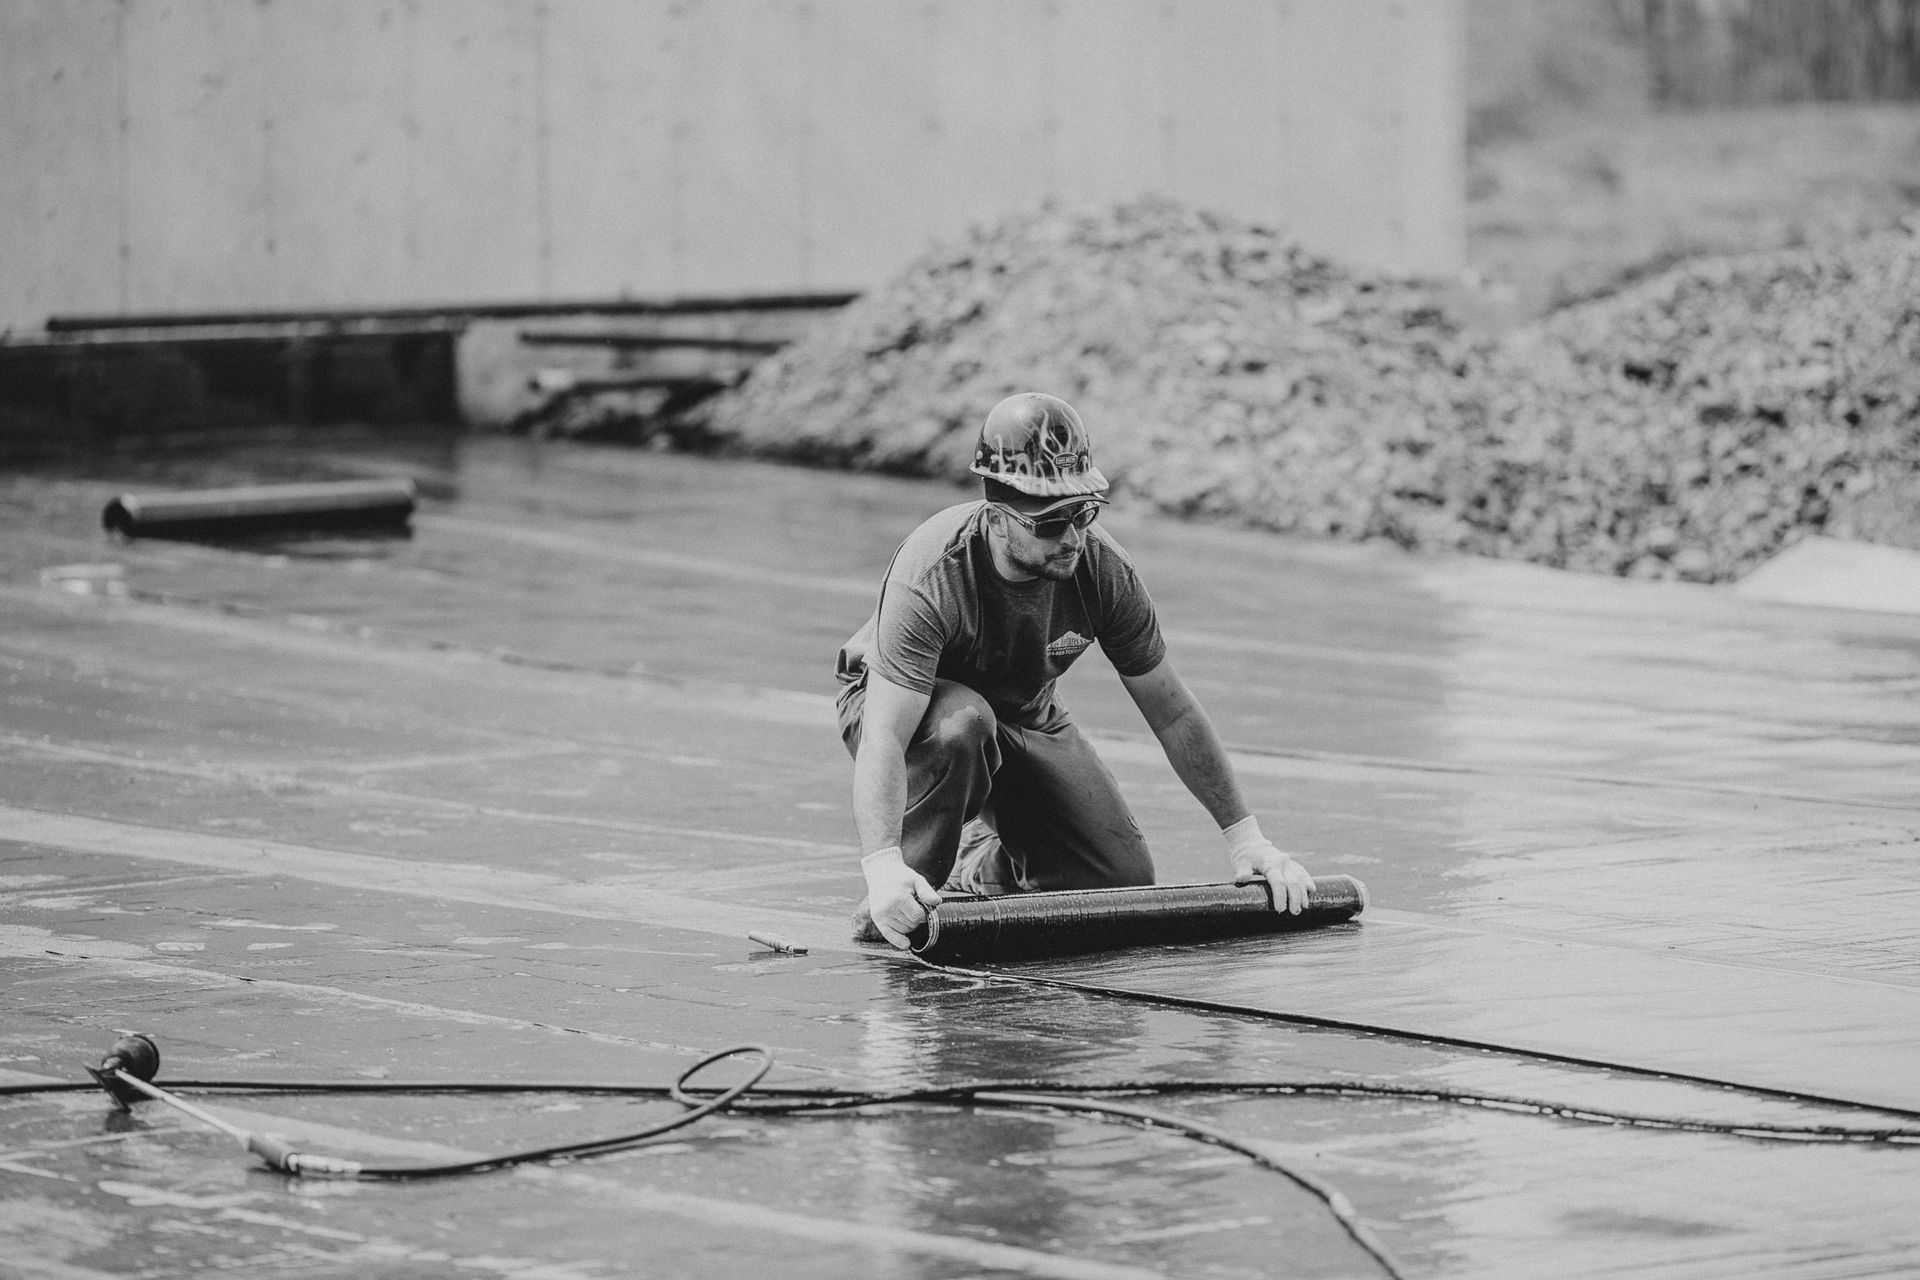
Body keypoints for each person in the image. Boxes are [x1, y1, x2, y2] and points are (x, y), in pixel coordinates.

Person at [836, 391, 1316, 948]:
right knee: (964, 725)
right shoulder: (932, 575)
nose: (1072, 537)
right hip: (900, 707)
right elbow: (885, 737)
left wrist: (1247, 839)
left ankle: (982, 867)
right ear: (997, 517)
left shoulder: (1103, 570)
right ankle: (902, 898)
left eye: (1083, 513)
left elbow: (1174, 712)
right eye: (1049, 522)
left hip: (1025, 712)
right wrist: (882, 865)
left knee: (1114, 885)